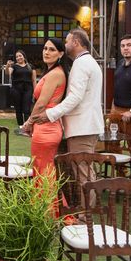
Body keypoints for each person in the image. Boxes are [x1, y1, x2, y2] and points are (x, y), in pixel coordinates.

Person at [33, 28, 103, 204]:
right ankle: (82, 210)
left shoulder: (82, 64)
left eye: (67, 41)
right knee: (82, 171)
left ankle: (85, 215)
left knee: (83, 173)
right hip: (83, 125)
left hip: (83, 127)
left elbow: (75, 97)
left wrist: (50, 114)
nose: (65, 44)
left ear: (76, 43)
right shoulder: (87, 62)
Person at [23, 39, 68, 178]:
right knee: (42, 169)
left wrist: (29, 122)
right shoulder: (52, 72)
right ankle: (45, 200)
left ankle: (48, 200)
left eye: (52, 49)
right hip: (45, 124)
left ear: (61, 54)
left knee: (44, 170)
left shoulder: (55, 74)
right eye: (45, 48)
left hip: (47, 127)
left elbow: (41, 103)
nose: (47, 52)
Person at [5, 49, 36, 133]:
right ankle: (21, 127)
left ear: (24, 56)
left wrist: (35, 91)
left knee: (26, 109)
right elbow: (8, 73)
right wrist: (7, 66)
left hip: (28, 89)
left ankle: (27, 127)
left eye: (20, 56)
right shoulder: (14, 66)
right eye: (17, 56)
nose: (18, 58)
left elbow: (33, 80)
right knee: (18, 109)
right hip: (16, 89)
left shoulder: (30, 66)